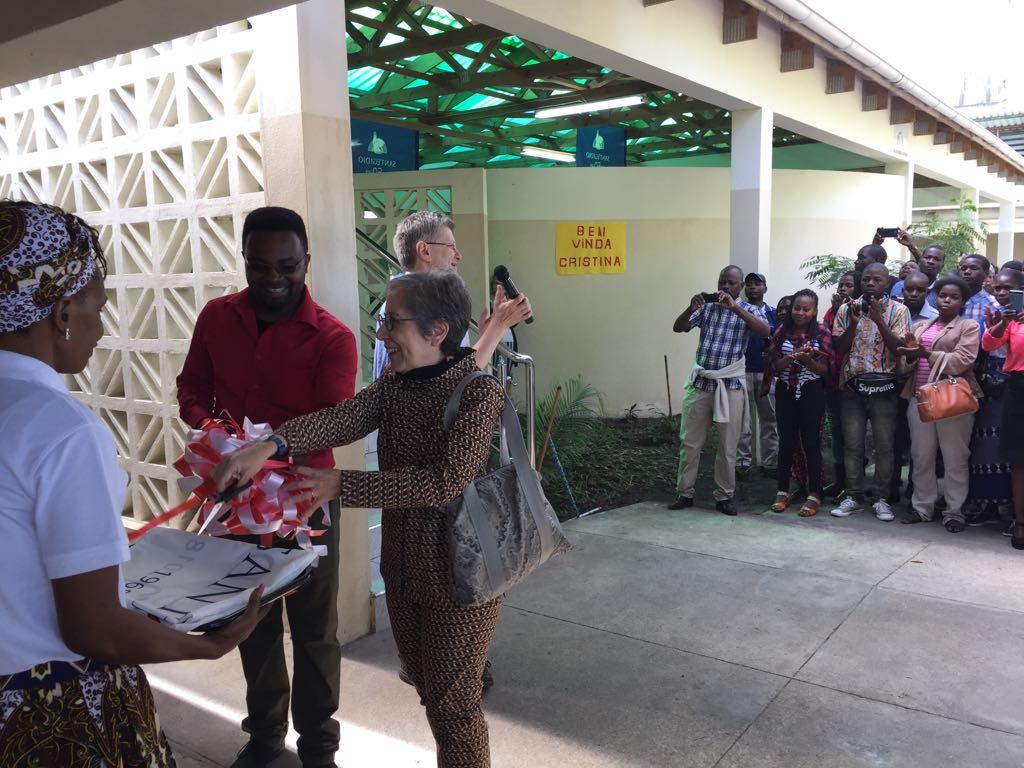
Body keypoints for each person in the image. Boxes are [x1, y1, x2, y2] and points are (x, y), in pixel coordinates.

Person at [0, 201, 263, 767]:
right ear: (62, 310)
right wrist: (207, 645)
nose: (101, 326)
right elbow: (95, 629)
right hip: (48, 713)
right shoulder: (62, 430)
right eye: (97, 306)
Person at [212, 269, 508, 767]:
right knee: (428, 687)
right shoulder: (395, 384)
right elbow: (341, 418)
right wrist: (270, 445)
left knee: (454, 707)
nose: (382, 334)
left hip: (462, 574)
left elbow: (443, 481)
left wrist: (340, 485)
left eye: (392, 322)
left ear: (437, 330)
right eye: (382, 320)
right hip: (403, 567)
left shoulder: (479, 393)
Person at [176, 206, 358, 768]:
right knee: (249, 624)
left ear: (307, 261)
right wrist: (214, 433)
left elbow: (331, 420)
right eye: (259, 267)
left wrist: (269, 449)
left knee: (313, 632)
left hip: (305, 502)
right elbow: (191, 389)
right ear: (245, 261)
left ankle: (319, 746)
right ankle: (264, 735)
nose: (273, 279)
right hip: (236, 507)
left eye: (286, 266)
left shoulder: (334, 338)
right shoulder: (216, 318)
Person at [373, 210, 529, 380]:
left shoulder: (432, 301)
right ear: (425, 250)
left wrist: (489, 332)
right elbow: (442, 386)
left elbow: (451, 373)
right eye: (451, 247)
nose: (458, 256)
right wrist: (498, 326)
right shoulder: (403, 309)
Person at [668, 265, 770, 516]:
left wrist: (735, 308)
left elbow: (766, 331)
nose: (725, 286)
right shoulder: (705, 307)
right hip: (702, 383)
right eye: (723, 281)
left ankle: (724, 496)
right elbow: (678, 327)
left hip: (731, 386)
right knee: (690, 442)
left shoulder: (749, 309)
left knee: (728, 444)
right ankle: (684, 492)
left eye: (731, 283)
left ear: (740, 287)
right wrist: (690, 308)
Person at [897, 277, 981, 532]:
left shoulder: (969, 326)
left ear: (963, 301)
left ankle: (954, 511)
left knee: (955, 458)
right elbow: (903, 365)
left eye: (954, 297)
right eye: (943, 295)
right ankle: (922, 508)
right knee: (921, 456)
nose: (947, 300)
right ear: (936, 297)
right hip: (919, 397)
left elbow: (963, 360)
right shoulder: (922, 326)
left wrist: (925, 354)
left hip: (951, 400)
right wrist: (910, 355)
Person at [830, 263, 912, 521]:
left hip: (885, 387)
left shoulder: (899, 310)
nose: (870, 284)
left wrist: (878, 318)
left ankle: (881, 498)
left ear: (887, 283)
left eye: (877, 280)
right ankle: (853, 495)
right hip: (853, 386)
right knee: (852, 445)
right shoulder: (846, 308)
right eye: (866, 279)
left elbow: (899, 347)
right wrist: (854, 324)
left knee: (885, 447)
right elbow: (839, 347)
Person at [766, 289, 832, 516]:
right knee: (786, 442)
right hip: (785, 390)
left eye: (806, 309)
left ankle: (815, 493)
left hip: (811, 391)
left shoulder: (822, 332)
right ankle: (783, 490)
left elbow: (826, 370)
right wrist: (790, 358)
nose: (800, 313)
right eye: (796, 308)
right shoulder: (781, 331)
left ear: (814, 311)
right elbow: (774, 368)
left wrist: (807, 361)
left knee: (812, 442)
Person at [968, 268, 1023, 527]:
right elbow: (987, 344)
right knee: (991, 447)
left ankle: (1009, 508)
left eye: (1008, 288)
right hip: (996, 384)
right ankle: (992, 505)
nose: (1001, 292)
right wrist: (1001, 323)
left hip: (1012, 383)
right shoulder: (997, 314)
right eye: (998, 287)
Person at [980, 296, 1024, 550]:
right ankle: (1020, 521)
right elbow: (988, 344)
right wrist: (1002, 322)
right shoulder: (1014, 318)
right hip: (1018, 388)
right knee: (1019, 458)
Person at [822, 272, 860, 497]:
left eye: (849, 285)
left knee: (852, 434)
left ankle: (855, 483)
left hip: (854, 380)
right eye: (841, 285)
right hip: (832, 379)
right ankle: (839, 481)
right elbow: (829, 343)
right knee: (836, 430)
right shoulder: (831, 312)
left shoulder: (863, 311)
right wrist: (837, 312)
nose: (844, 289)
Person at [736, 272, 778, 475]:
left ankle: (770, 462)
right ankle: (743, 462)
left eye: (757, 284)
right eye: (749, 284)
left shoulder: (774, 313)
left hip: (766, 372)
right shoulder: (737, 310)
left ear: (765, 288)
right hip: (742, 370)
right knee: (743, 420)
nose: (753, 287)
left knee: (769, 418)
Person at [891, 237, 945, 309]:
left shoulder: (942, 291)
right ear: (919, 261)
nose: (931, 261)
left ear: (942, 266)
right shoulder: (900, 286)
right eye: (927, 257)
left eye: (936, 259)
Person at [958, 253, 1000, 334]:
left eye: (973, 268)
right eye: (963, 268)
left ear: (986, 273)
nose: (967, 272)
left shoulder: (994, 305)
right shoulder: (949, 299)